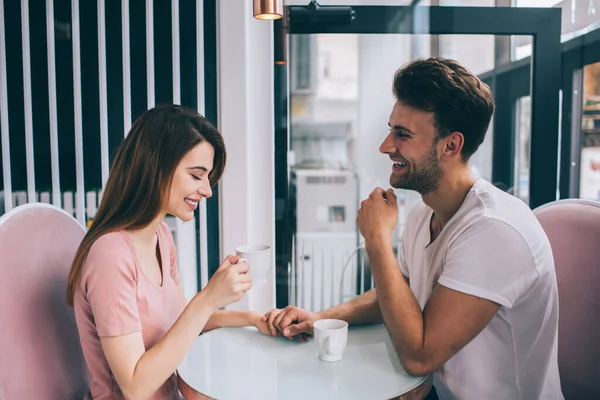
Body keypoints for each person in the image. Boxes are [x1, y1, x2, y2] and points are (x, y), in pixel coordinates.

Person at [264, 58, 563, 400]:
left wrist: (376, 239)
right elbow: (396, 296)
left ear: (450, 145)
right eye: (391, 129)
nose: (386, 145)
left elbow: (419, 356)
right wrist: (320, 318)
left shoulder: (495, 231)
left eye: (402, 135)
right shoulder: (424, 212)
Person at [67, 105, 274, 400]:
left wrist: (254, 319)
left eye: (208, 177)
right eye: (196, 175)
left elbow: (179, 322)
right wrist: (208, 298)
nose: (207, 190)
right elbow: (135, 387)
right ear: (156, 168)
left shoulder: (161, 237)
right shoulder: (111, 256)